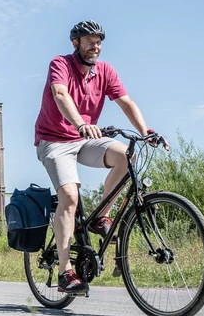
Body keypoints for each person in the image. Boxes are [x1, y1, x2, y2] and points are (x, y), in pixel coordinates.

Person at [33, 20, 169, 295]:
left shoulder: (105, 71)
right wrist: (80, 123)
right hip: (54, 141)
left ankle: (100, 217)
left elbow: (126, 103)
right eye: (89, 41)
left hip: (84, 140)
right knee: (70, 196)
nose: (95, 46)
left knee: (126, 155)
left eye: (98, 41)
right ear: (76, 44)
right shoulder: (60, 64)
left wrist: (147, 132)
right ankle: (64, 272)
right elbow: (60, 94)